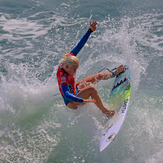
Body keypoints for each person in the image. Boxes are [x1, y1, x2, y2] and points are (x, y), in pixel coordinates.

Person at [57, 21, 124, 117]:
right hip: (72, 101)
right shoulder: (62, 77)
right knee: (91, 89)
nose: (75, 72)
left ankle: (114, 73)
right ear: (67, 67)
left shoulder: (68, 59)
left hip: (74, 89)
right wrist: (83, 100)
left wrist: (90, 31)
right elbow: (67, 95)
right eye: (74, 70)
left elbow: (79, 46)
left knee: (99, 76)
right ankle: (106, 112)